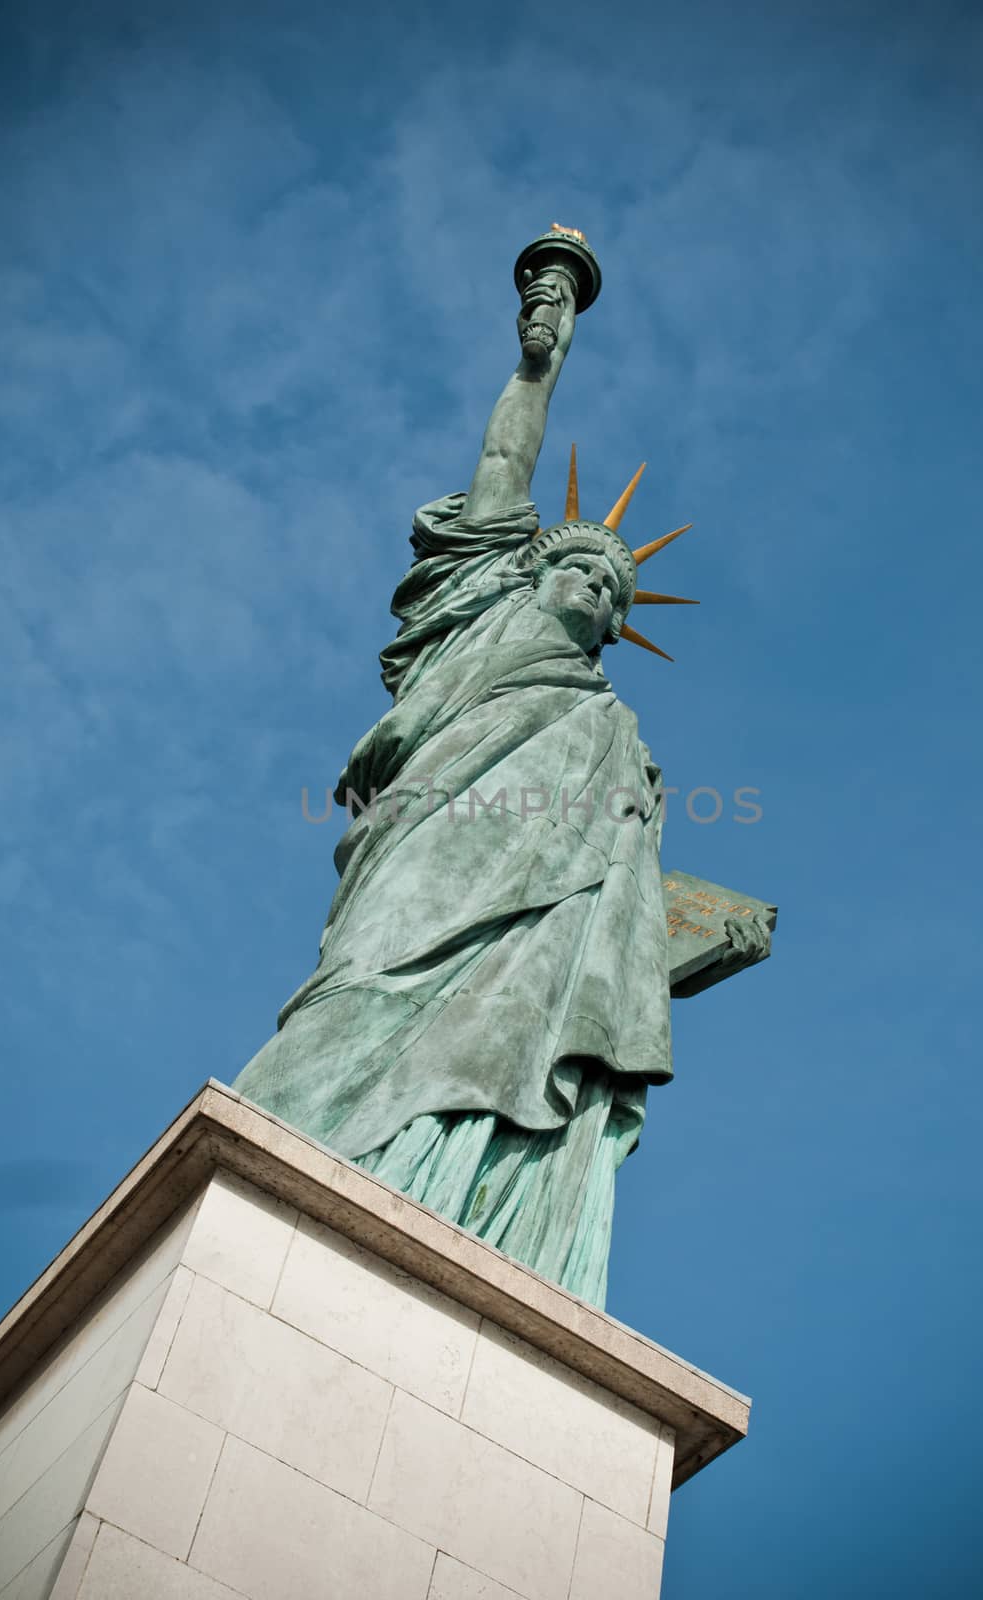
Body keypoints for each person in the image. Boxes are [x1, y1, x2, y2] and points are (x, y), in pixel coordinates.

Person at [234, 267, 679, 1306]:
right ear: (533, 570)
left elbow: (616, 880)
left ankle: (459, 1192)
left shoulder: (607, 723)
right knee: (357, 990)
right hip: (421, 844)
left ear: (619, 625)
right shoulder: (475, 606)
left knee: (495, 1024)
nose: (593, 584)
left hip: (530, 909)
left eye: (611, 589)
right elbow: (500, 460)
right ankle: (278, 1150)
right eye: (578, 567)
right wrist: (539, 364)